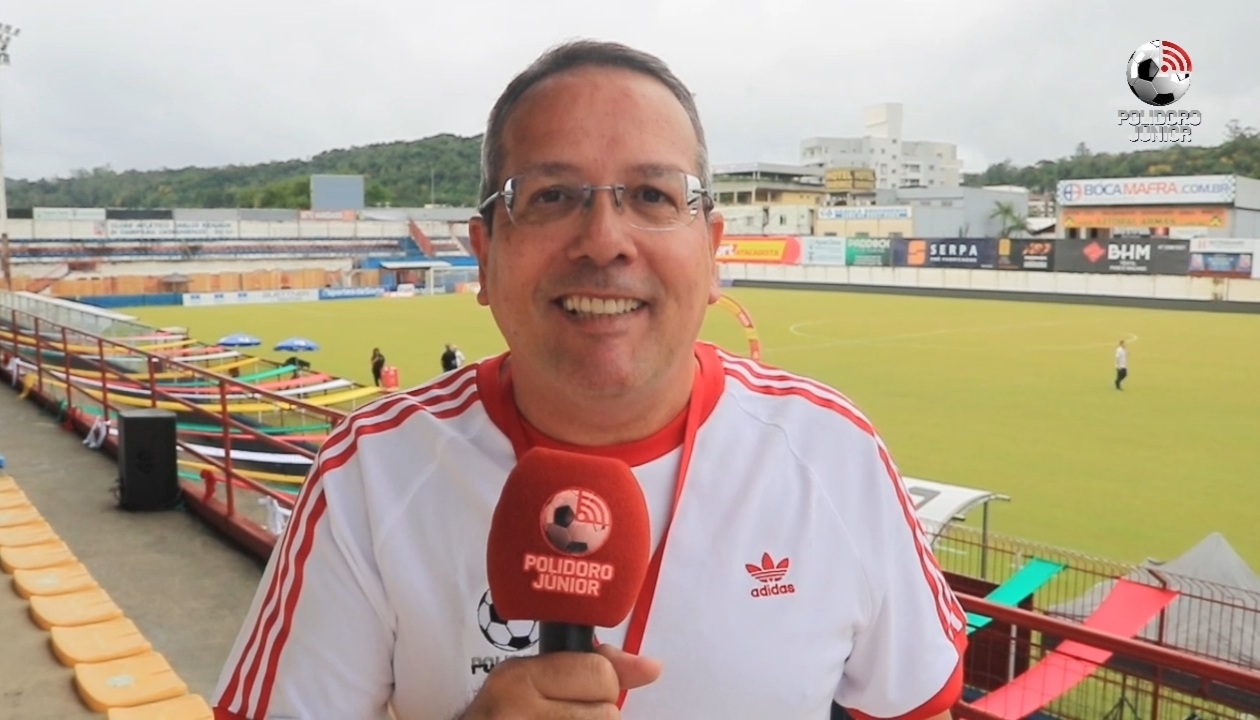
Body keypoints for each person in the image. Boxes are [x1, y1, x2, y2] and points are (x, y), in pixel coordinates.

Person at [212, 40, 966, 720]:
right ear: (485, 256)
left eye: (653, 195)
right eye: (551, 196)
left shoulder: (835, 453)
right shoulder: (369, 472)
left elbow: (916, 707)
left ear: (712, 253)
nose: (604, 242)